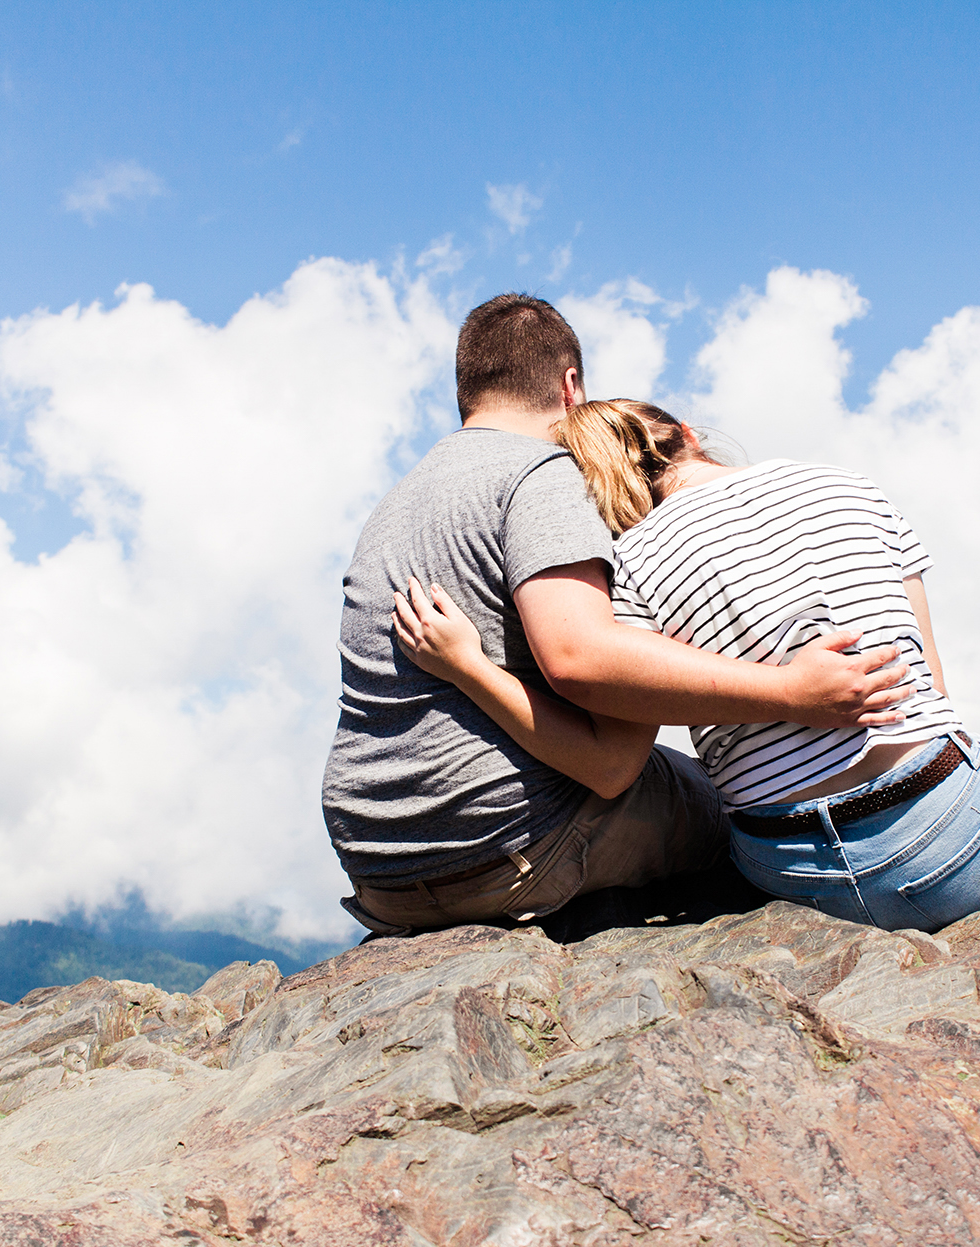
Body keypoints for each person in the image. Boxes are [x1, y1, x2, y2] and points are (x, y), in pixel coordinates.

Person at [321, 297, 912, 938]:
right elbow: (591, 691)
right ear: (571, 385)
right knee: (743, 807)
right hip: (512, 851)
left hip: (378, 866)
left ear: (468, 390)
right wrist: (792, 694)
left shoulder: (394, 505)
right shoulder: (542, 474)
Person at [393, 397, 980, 935]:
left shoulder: (626, 568)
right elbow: (931, 687)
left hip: (795, 878)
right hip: (971, 845)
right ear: (685, 432)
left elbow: (615, 749)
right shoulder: (850, 487)